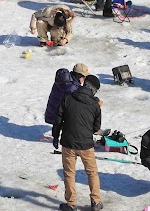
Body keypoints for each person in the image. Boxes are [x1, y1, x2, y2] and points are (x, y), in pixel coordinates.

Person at [55, 71, 103, 211]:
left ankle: (71, 204)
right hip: (86, 145)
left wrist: (55, 136)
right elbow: (96, 127)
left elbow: (58, 119)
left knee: (69, 173)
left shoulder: (68, 98)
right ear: (93, 89)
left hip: (68, 143)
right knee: (92, 173)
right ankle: (96, 202)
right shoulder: (95, 105)